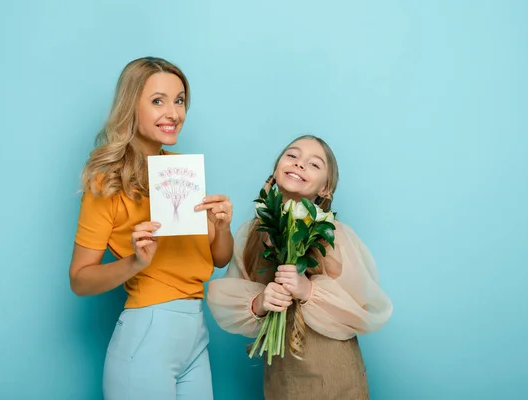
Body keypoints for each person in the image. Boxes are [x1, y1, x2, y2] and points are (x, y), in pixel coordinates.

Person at [69, 56, 233, 399]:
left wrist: (222, 226)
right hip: (148, 330)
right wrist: (136, 262)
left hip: (195, 331)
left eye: (179, 100)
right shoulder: (108, 182)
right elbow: (79, 280)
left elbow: (218, 259)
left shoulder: (182, 172)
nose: (173, 113)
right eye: (158, 101)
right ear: (132, 106)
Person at [207, 135, 393, 399]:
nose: (300, 164)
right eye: (292, 156)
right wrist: (260, 302)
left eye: (314, 164)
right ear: (276, 169)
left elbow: (360, 309)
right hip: (282, 377)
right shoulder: (251, 234)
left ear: (326, 189)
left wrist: (307, 290)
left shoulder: (334, 235)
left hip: (335, 374)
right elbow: (229, 299)